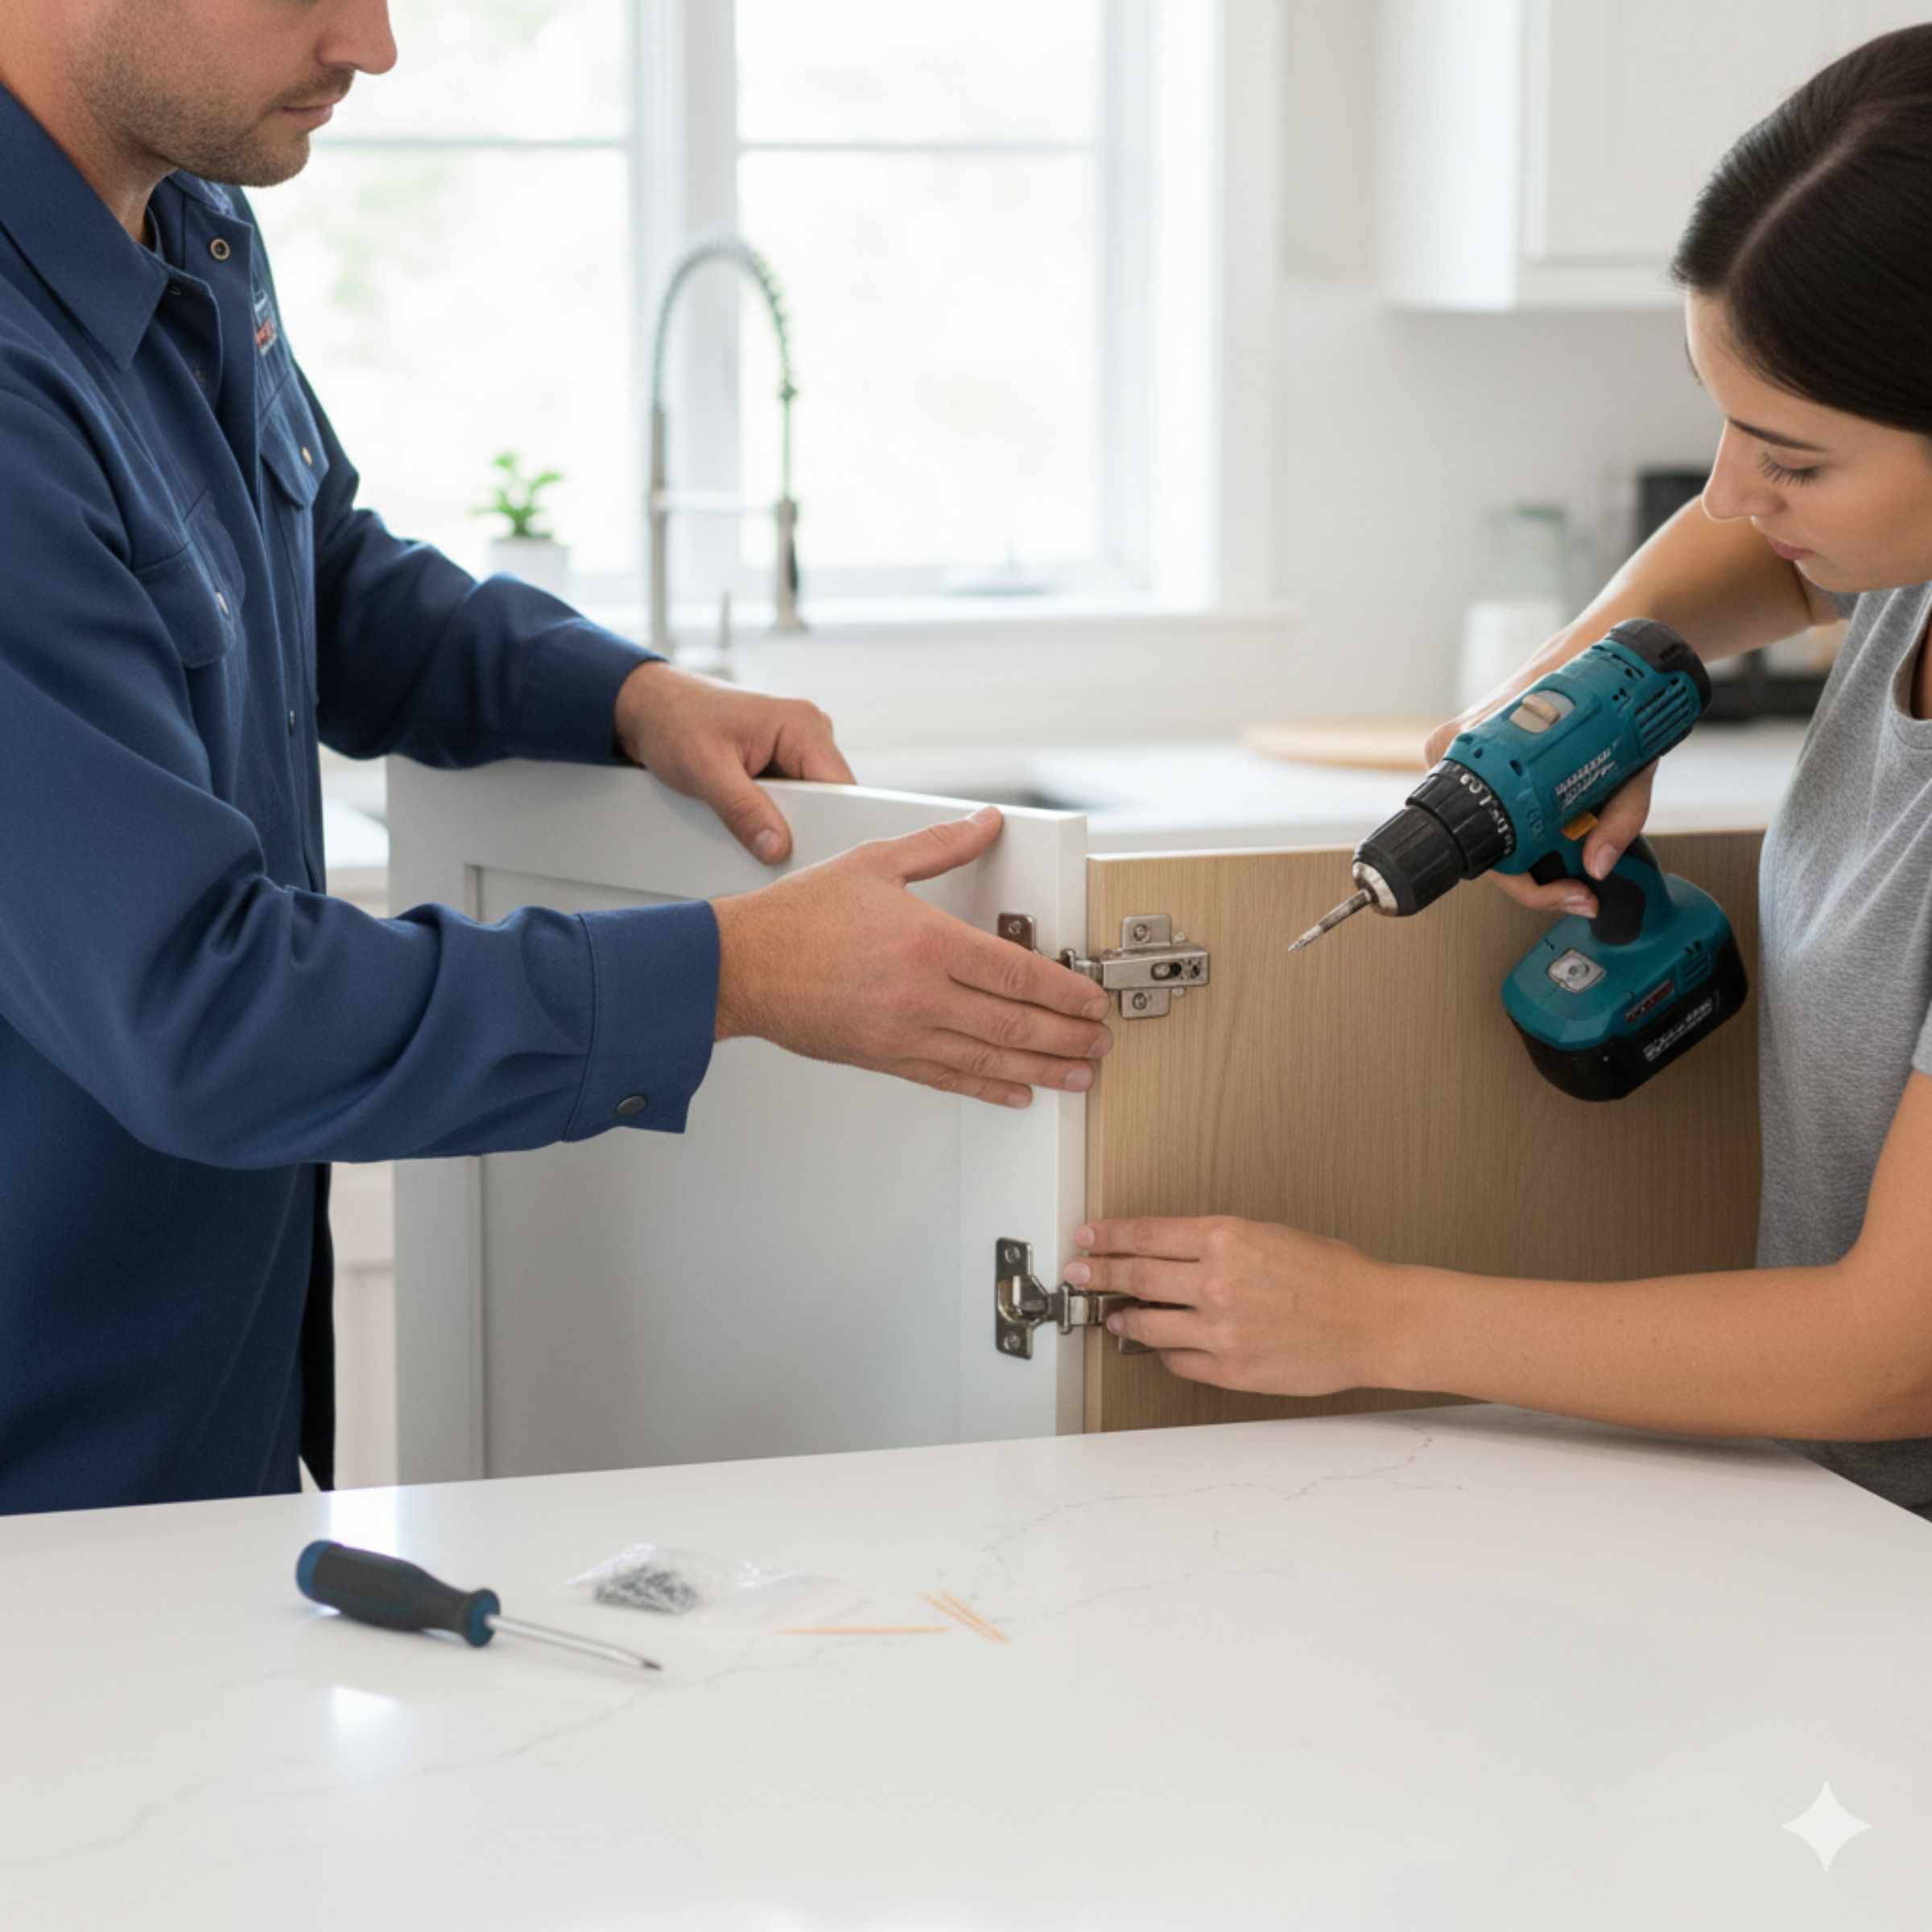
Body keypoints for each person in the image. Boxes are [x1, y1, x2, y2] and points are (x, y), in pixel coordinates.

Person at [0, 0, 1113, 1515]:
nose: (375, 44)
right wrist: (734, 973)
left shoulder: (184, 215)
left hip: (202, 1440)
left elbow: (310, 571)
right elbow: (203, 1010)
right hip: (49, 1488)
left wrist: (623, 696)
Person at [1075, 24, 1932, 1522]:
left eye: (1793, 459)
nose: (1734, 491)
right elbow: (1745, 562)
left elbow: (1894, 1355)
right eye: (1718, 414)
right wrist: (1557, 697)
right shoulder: (1901, 564)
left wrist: (1370, 1321)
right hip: (1856, 1539)